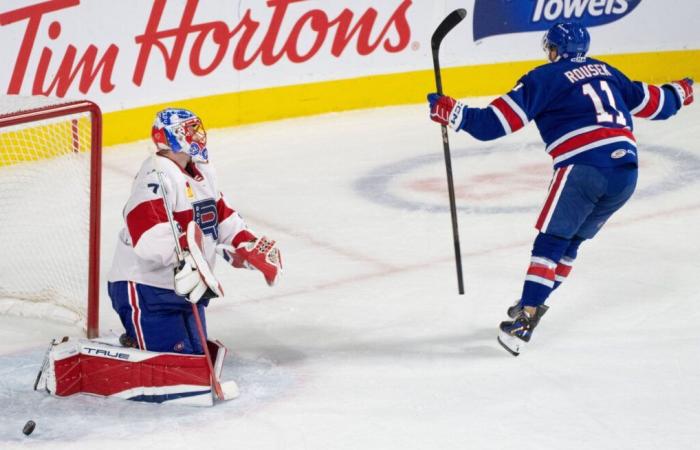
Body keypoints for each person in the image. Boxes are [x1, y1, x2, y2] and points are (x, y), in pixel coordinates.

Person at [427, 22, 694, 356]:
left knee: (551, 242)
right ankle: (531, 301)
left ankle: (526, 319)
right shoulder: (608, 72)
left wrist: (452, 112)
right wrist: (681, 91)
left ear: (554, 50)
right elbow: (658, 104)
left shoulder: (543, 78)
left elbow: (493, 124)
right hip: (626, 173)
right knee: (571, 243)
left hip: (584, 168)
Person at [107, 107, 283, 355]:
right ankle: (135, 340)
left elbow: (222, 217)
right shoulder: (155, 174)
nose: (198, 136)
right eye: (190, 130)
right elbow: (147, 236)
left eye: (196, 129)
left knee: (197, 358)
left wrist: (245, 245)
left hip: (187, 290)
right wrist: (187, 258)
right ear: (170, 136)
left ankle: (140, 339)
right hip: (147, 288)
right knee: (176, 365)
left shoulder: (203, 172)